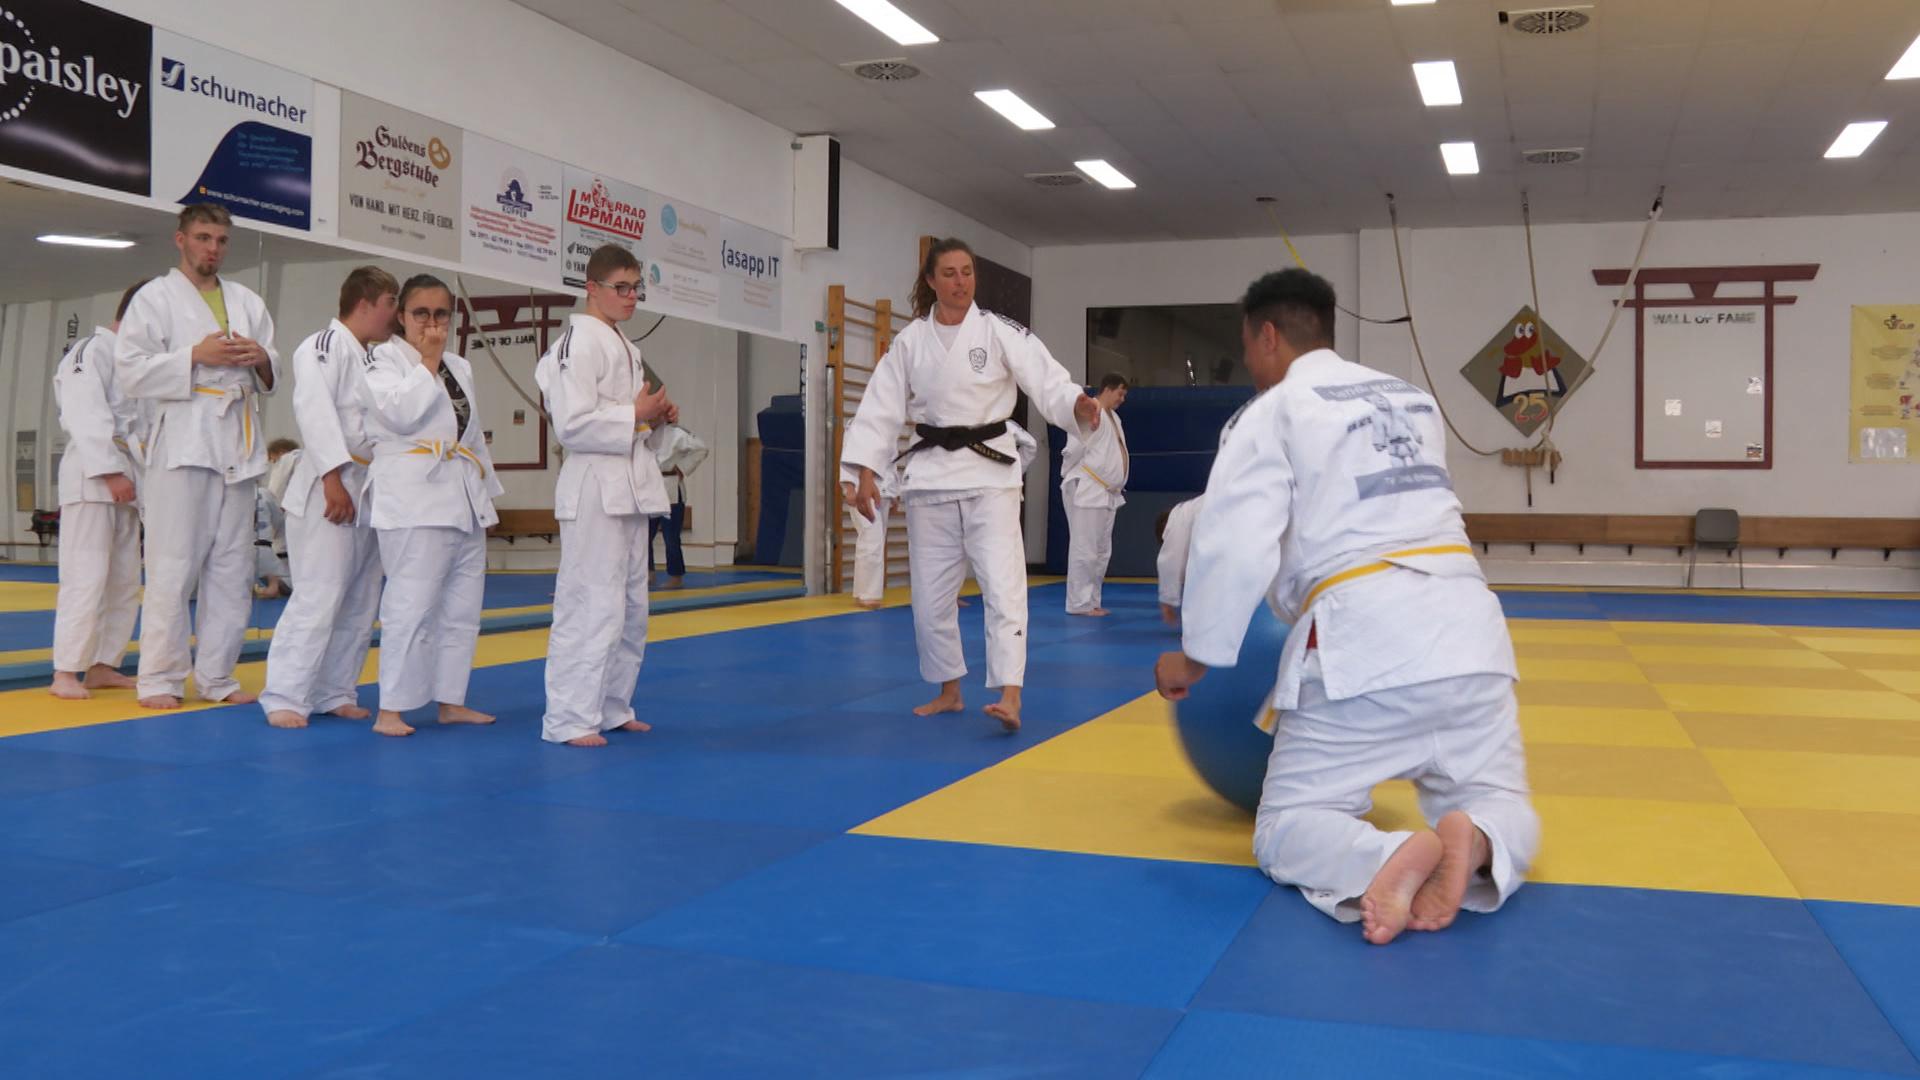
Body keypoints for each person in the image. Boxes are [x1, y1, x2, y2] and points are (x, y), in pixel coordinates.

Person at [1154, 268, 1538, 947]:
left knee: (1286, 826)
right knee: (1500, 798)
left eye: (1249, 348)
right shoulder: (1414, 399)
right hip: (1472, 629)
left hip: (1365, 636)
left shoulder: (1272, 411)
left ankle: (1386, 857)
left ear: (1268, 336)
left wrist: (1193, 657)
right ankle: (1476, 840)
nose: (1251, 365)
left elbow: (1233, 542)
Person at [840, 237, 1100, 731]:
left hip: (989, 474)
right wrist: (866, 470)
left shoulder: (998, 331)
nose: (961, 282)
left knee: (1004, 588)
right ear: (933, 281)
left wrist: (1074, 404)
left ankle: (1010, 695)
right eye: (951, 274)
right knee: (930, 598)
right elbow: (880, 405)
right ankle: (949, 691)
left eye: (967, 272)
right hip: (931, 476)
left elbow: (1045, 377)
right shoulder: (910, 341)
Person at [116, 203, 279, 710]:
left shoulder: (247, 300)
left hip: (238, 439)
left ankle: (217, 677)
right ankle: (161, 679)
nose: (214, 248)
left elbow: (271, 374)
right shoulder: (154, 299)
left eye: (222, 240)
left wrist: (262, 360)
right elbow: (131, 372)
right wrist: (194, 356)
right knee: (173, 565)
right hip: (183, 441)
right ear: (180, 239)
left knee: (233, 567)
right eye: (204, 237)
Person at [536, 244, 677, 747]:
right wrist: (636, 415)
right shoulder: (578, 342)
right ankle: (569, 718)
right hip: (595, 485)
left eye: (636, 287)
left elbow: (634, 421)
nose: (631, 296)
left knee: (630, 605)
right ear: (591, 288)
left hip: (631, 486)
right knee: (589, 604)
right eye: (621, 286)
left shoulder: (628, 347)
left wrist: (656, 417)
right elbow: (572, 425)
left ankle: (613, 706)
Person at [359, 274, 503, 737]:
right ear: (401, 316)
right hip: (413, 498)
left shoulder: (460, 367)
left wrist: (487, 498)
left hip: (461, 496)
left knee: (462, 608)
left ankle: (450, 700)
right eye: (421, 313)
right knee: (411, 605)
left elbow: (472, 436)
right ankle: (391, 710)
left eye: (442, 314)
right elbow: (400, 413)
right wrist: (428, 360)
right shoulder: (382, 361)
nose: (432, 323)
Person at [260, 267, 399, 730]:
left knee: (359, 598)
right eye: (391, 305)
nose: (394, 316)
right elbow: (314, 412)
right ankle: (285, 694)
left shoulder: (374, 357)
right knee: (318, 595)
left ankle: (335, 689)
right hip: (330, 484)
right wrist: (332, 477)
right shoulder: (322, 346)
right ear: (366, 303)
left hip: (369, 485)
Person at [47, 281, 149, 700]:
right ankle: (66, 671)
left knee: (124, 579)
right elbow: (83, 412)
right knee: (85, 576)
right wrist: (110, 471)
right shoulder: (92, 350)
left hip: (129, 477)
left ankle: (104, 664)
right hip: (93, 478)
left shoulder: (135, 362)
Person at [1060, 373, 1129, 616]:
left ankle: (1092, 600)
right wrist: (1074, 477)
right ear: (1108, 389)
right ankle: (1078, 603)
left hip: (1108, 493)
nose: (1122, 398)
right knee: (1084, 549)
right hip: (1089, 487)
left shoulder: (1115, 418)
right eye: (1120, 393)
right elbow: (1074, 448)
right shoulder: (1091, 410)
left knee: (1101, 552)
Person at [651, 421, 708, 587]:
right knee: (644, 536)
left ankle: (675, 576)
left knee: (671, 537)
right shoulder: (644, 433)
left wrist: (683, 467)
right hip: (649, 488)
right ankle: (648, 572)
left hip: (671, 490)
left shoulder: (676, 433)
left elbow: (701, 448)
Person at [254, 438, 299, 599]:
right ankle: (278, 582)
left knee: (262, 495)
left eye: (273, 459)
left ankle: (276, 582)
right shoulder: (303, 463)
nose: (273, 463)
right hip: (295, 524)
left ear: (279, 453)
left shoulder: (288, 460)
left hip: (285, 523)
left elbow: (276, 490)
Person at [1155, 494, 1205, 627]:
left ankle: (1199, 639)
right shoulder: (1195, 510)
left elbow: (1170, 561)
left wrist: (1167, 601)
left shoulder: (1180, 517)